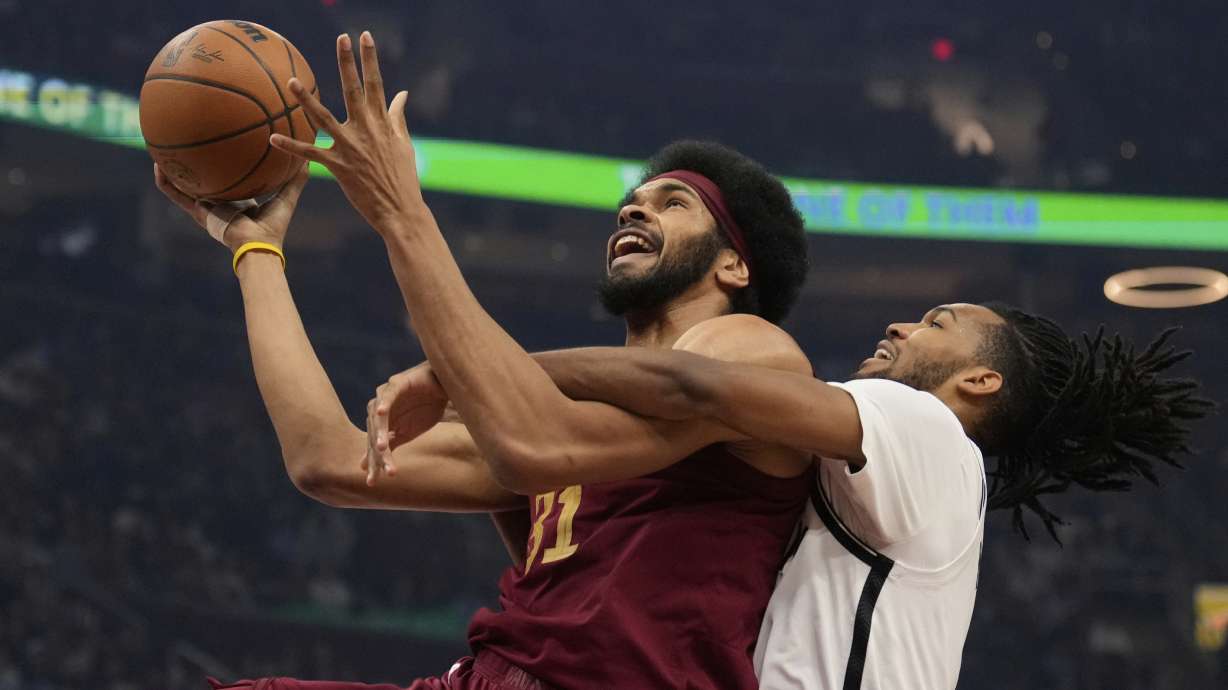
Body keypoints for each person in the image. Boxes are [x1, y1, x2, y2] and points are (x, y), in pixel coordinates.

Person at [156, 31, 819, 690]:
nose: (634, 209)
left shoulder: (753, 351)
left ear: (734, 263)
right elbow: (326, 459)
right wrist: (256, 252)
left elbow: (545, 441)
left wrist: (401, 211)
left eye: (673, 203)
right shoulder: (556, 410)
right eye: (632, 201)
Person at [367, 302, 1208, 690]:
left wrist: (462, 374)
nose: (900, 327)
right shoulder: (891, 478)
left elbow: (696, 389)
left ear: (980, 380)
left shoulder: (923, 428)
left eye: (936, 324)